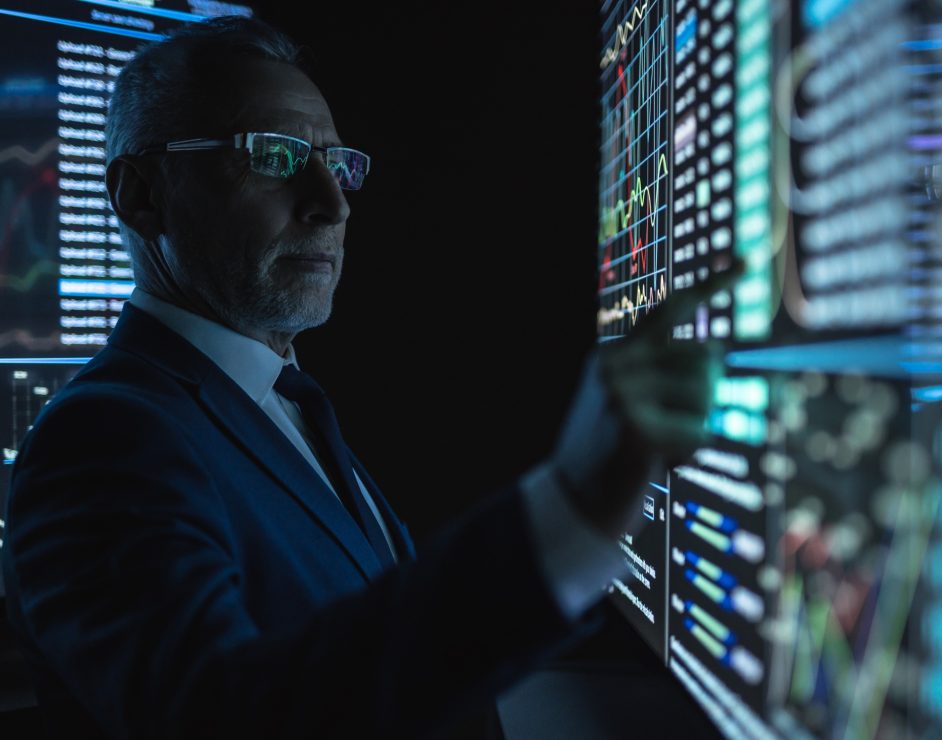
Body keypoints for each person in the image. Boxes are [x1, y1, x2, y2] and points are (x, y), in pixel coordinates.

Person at [1, 15, 742, 739]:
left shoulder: (281, 401)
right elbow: (226, 716)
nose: (333, 203)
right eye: (275, 155)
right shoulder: (102, 438)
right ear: (139, 194)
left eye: (339, 163)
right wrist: (570, 505)